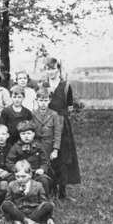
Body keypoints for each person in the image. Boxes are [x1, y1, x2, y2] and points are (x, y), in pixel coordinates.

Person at [43, 57, 80, 199]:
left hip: (62, 124)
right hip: (47, 123)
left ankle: (62, 192)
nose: (50, 71)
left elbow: (69, 107)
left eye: (53, 68)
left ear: (58, 69)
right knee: (49, 154)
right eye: (48, 68)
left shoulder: (65, 86)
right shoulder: (43, 85)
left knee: (63, 156)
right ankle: (50, 188)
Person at [1, 160, 55, 224]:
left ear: (30, 175)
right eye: (17, 176)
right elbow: (8, 201)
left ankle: (22, 222)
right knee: (6, 204)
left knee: (48, 205)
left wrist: (49, 218)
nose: (20, 179)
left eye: (23, 176)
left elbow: (43, 201)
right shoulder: (12, 185)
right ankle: (27, 221)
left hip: (34, 212)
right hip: (18, 212)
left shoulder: (38, 185)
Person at [6, 120, 52, 196]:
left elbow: (45, 161)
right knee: (11, 180)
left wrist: (42, 169)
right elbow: (9, 161)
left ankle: (44, 200)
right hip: (21, 174)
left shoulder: (39, 146)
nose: (26, 136)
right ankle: (14, 199)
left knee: (44, 180)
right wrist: (17, 170)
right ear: (19, 135)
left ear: (33, 134)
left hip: (35, 173)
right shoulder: (16, 147)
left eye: (28, 133)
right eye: (23, 134)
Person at [32, 87, 63, 196]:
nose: (43, 103)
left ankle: (53, 190)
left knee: (51, 168)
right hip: (36, 144)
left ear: (49, 101)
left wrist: (55, 149)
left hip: (48, 145)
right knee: (39, 166)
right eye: (41, 100)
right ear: (37, 101)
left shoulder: (54, 114)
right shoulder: (33, 113)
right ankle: (39, 191)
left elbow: (57, 133)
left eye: (45, 100)